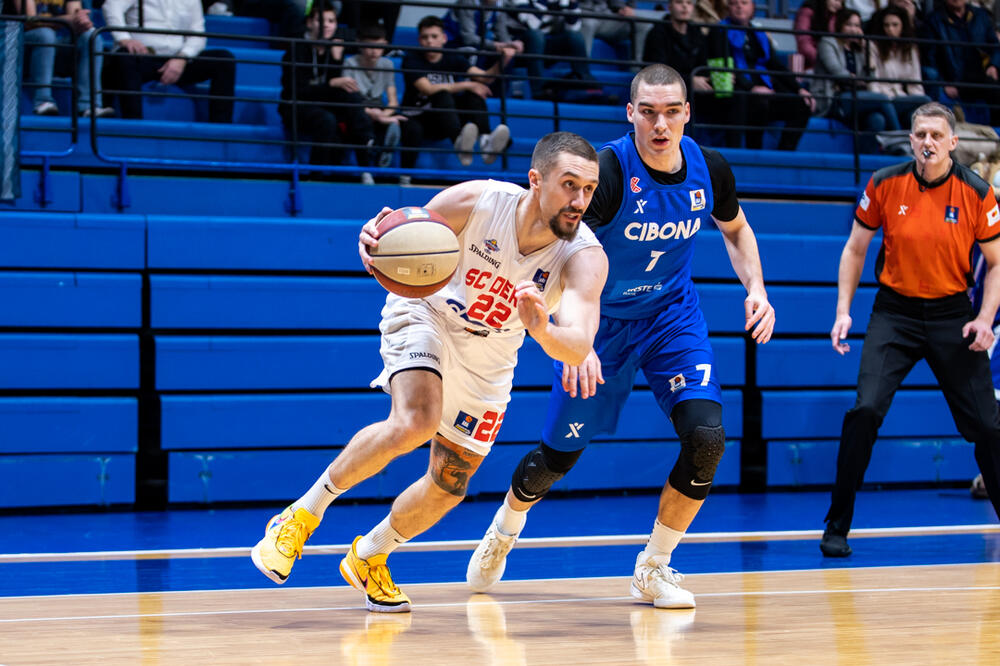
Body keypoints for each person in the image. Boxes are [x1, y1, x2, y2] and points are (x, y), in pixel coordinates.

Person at [250, 131, 609, 613]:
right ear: (536, 181)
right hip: (428, 314)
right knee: (416, 420)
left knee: (449, 484)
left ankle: (370, 556)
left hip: (494, 353)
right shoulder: (478, 202)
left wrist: (543, 329)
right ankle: (299, 516)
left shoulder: (584, 256)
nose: (580, 201)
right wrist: (374, 241)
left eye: (589, 189)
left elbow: (579, 342)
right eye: (569, 185)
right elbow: (400, 232)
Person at [465, 64, 776, 609]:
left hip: (671, 319)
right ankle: (506, 527)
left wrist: (757, 288)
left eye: (671, 111)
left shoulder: (711, 169)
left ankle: (653, 567)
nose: (660, 124)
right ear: (630, 113)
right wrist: (573, 337)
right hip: (600, 324)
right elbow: (555, 251)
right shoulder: (606, 173)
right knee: (558, 457)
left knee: (706, 440)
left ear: (687, 113)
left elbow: (737, 229)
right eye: (648, 112)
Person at [821, 102, 1000, 557]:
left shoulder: (977, 192)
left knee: (987, 426)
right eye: (920, 134)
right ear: (911, 138)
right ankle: (836, 525)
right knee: (865, 411)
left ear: (953, 143)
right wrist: (843, 310)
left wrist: (985, 318)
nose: (927, 143)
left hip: (952, 316)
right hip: (894, 313)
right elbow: (855, 249)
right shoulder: (883, 182)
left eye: (937, 136)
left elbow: (997, 264)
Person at [400, 15, 513, 169]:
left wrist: (504, 60)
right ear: (420, 40)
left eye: (434, 36)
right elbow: (428, 89)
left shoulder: (452, 57)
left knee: (473, 96)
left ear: (444, 38)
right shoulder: (412, 59)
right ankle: (459, 143)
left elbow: (484, 78)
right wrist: (467, 84)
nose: (430, 41)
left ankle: (486, 141)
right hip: (420, 118)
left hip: (444, 119)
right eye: (425, 37)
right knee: (442, 93)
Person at [280, 1, 374, 180]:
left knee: (350, 94)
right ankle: (316, 177)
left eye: (331, 21)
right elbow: (298, 91)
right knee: (327, 120)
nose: (326, 25)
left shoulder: (334, 49)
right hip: (296, 106)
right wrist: (331, 84)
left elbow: (333, 87)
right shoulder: (296, 49)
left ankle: (366, 148)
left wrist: (337, 61)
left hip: (323, 103)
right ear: (309, 23)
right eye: (320, 20)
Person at [101, 0, 236, 123]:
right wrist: (124, 38)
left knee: (223, 59)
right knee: (125, 57)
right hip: (143, 57)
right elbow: (111, 6)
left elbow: (198, 35)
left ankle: (221, 129)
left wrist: (182, 57)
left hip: (177, 60)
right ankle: (133, 124)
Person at [707, 0, 816, 151]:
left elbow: (775, 65)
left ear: (752, 8)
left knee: (802, 105)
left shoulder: (759, 34)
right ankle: (750, 152)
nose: (739, 6)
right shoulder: (718, 31)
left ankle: (784, 153)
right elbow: (722, 67)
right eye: (734, 3)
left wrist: (799, 89)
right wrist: (751, 88)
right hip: (738, 92)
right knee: (756, 102)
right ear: (728, 8)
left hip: (765, 91)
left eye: (744, 3)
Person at [643, 0, 742, 148]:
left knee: (737, 96)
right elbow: (657, 72)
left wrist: (717, 78)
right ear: (670, 7)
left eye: (689, 3)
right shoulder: (657, 33)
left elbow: (704, 64)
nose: (684, 7)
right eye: (679, 3)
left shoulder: (696, 33)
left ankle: (733, 152)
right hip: (668, 90)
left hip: (697, 88)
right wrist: (690, 81)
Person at [813, 8, 899, 152]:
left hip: (857, 98)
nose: (854, 29)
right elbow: (837, 72)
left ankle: (868, 163)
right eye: (849, 25)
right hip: (834, 98)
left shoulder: (858, 48)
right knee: (882, 99)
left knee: (877, 119)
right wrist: (858, 80)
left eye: (857, 26)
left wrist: (867, 50)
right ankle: (899, 140)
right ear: (840, 25)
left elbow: (871, 78)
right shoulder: (827, 43)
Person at [9, 0, 114, 117]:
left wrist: (81, 22)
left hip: (53, 48)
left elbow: (75, 15)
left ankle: (88, 106)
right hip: (19, 49)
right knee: (45, 34)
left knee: (91, 37)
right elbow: (30, 20)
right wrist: (67, 19)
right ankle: (42, 101)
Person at [343, 24, 413, 172]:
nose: (374, 52)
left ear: (385, 45)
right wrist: (376, 115)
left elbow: (393, 101)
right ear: (359, 44)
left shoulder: (387, 64)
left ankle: (386, 154)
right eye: (369, 46)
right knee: (361, 122)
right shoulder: (349, 64)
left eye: (379, 47)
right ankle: (370, 164)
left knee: (407, 124)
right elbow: (349, 100)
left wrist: (383, 115)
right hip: (357, 109)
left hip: (380, 110)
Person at [923, 0, 1000, 125]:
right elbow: (929, 58)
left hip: (982, 75)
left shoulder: (980, 15)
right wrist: (943, 83)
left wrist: (994, 66)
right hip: (954, 79)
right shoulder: (934, 21)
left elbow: (995, 46)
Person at [866, 5, 931, 128]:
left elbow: (915, 83)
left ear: (903, 26)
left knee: (916, 114)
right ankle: (898, 138)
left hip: (902, 98)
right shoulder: (873, 46)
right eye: (886, 25)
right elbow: (873, 82)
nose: (890, 29)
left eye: (895, 25)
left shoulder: (910, 48)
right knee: (927, 100)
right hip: (882, 100)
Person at [794, 0, 844, 71]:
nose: (838, 4)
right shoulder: (808, 11)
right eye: (835, 0)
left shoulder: (837, 15)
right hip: (810, 65)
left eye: (841, 2)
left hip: (832, 64)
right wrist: (822, 60)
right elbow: (803, 42)